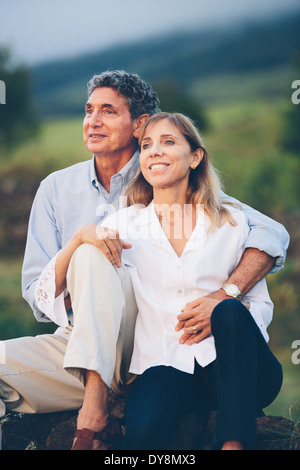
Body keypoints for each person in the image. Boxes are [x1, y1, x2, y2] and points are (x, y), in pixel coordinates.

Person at [0, 71, 288, 451]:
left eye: (108, 111)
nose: (93, 121)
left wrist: (225, 294)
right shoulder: (57, 189)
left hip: (148, 338)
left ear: (139, 125)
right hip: (84, 342)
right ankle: (95, 391)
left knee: (98, 251)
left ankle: (97, 408)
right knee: (88, 248)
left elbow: (270, 233)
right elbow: (37, 297)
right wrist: (78, 241)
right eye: (88, 111)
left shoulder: (178, 182)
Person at [99, 112, 284, 450]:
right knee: (141, 437)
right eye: (146, 145)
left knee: (227, 310)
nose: (154, 151)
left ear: (195, 157)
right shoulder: (123, 225)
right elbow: (60, 282)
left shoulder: (231, 222)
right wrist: (84, 238)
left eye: (168, 142)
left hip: (242, 369)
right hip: (165, 362)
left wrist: (220, 315)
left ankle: (234, 445)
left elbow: (258, 305)